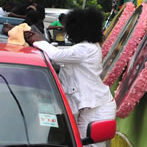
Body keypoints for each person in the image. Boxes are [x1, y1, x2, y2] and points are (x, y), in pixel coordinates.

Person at [24, 8, 116, 145]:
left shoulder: (86, 48)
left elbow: (56, 55)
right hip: (92, 107)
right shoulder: (88, 47)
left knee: (88, 144)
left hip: (98, 109)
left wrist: (39, 41)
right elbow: (59, 57)